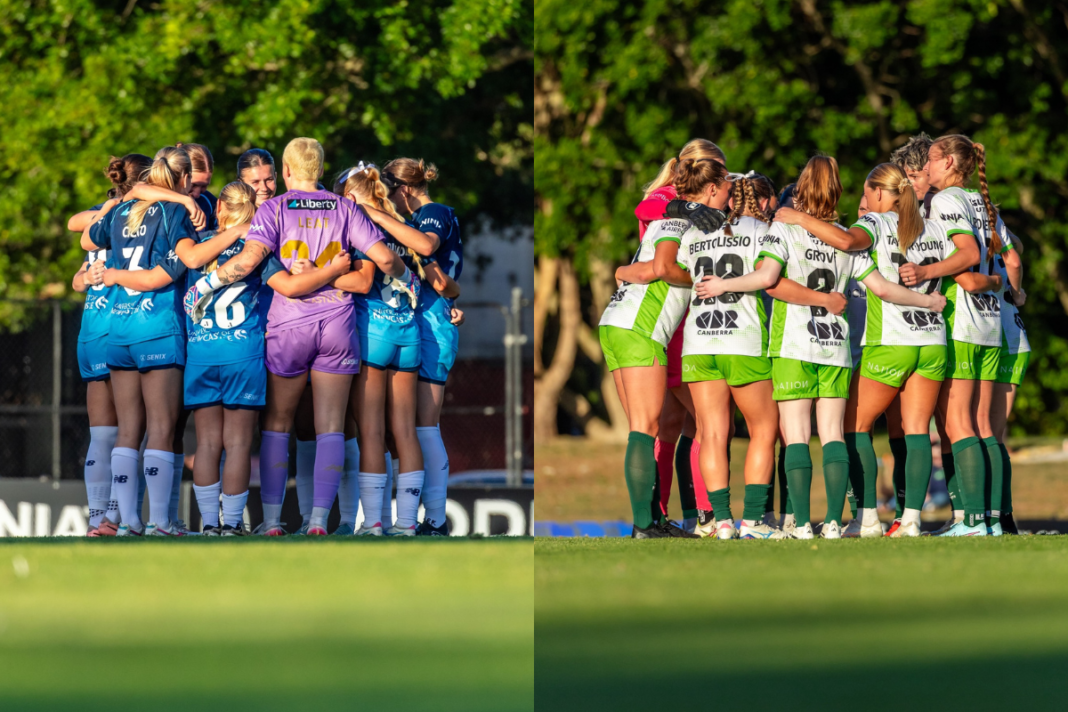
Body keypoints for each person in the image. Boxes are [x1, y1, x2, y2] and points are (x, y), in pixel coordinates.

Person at [184, 137, 411, 537]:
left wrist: (208, 284)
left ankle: (271, 522)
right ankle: (319, 521)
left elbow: (250, 260)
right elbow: (387, 260)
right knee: (330, 427)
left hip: (288, 326)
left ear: (286, 172)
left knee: (276, 424)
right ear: (320, 170)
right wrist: (408, 279)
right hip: (338, 324)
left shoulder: (272, 208)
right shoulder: (345, 207)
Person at [714, 156, 945, 539]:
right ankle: (836, 523)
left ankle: (802, 524)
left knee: (797, 435)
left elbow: (769, 280)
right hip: (835, 345)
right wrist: (929, 302)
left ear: (800, 189)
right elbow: (884, 289)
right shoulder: (846, 238)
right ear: (838, 191)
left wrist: (722, 284)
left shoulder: (784, 229)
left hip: (793, 344)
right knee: (835, 434)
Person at [774, 163, 974, 538]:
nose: (862, 204)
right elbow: (968, 254)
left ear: (881, 194)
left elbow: (847, 242)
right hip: (932, 341)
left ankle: (866, 518)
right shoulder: (934, 227)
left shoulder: (878, 223)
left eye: (866, 196)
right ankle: (911, 520)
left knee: (852, 426)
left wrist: (799, 217)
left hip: (890, 341)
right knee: (917, 430)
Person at [599, 158, 719, 538]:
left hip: (618, 322)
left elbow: (644, 266)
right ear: (711, 188)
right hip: (640, 327)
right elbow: (663, 267)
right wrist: (700, 280)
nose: (732, 193)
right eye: (727, 186)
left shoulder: (679, 218)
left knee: (644, 426)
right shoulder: (680, 220)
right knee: (644, 427)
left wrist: (621, 272)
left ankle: (652, 520)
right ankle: (644, 525)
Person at [81, 146, 197, 536]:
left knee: (128, 429)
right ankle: (160, 521)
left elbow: (86, 238)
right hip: (158, 326)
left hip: (119, 330)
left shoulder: (118, 210)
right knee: (162, 427)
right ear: (181, 181)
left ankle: (127, 520)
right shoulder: (176, 211)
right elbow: (179, 266)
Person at [901, 135, 1011, 536]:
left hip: (963, 323)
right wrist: (996, 281)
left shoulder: (946, 201)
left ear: (948, 162)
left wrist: (927, 272)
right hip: (990, 321)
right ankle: (992, 522)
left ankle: (973, 521)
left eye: (930, 159)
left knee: (958, 424)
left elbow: (965, 256)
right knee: (983, 425)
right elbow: (1007, 263)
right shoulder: (980, 201)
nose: (925, 166)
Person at [676, 170, 785, 540]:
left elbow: (680, 272)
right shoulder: (759, 230)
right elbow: (766, 278)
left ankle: (721, 522)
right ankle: (753, 521)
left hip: (699, 341)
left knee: (713, 434)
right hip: (743, 339)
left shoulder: (691, 234)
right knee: (764, 429)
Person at [382, 157, 466, 535]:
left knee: (425, 425)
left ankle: (435, 519)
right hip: (423, 318)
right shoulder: (421, 215)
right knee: (406, 425)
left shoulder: (431, 213)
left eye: (389, 194)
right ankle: (417, 516)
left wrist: (381, 217)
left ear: (403, 190)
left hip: (432, 323)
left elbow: (431, 256)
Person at [71, 153, 152, 535]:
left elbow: (77, 277)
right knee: (130, 431)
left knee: (102, 433)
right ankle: (118, 517)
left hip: (91, 325)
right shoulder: (139, 216)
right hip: (122, 324)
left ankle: (96, 518)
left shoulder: (103, 215)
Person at [991, 229, 1029, 534]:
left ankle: (991, 517)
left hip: (995, 338)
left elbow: (1014, 257)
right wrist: (1017, 294)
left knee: (985, 434)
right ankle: (1002, 517)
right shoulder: (996, 237)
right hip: (1014, 337)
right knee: (993, 434)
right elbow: (1016, 249)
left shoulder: (968, 237)